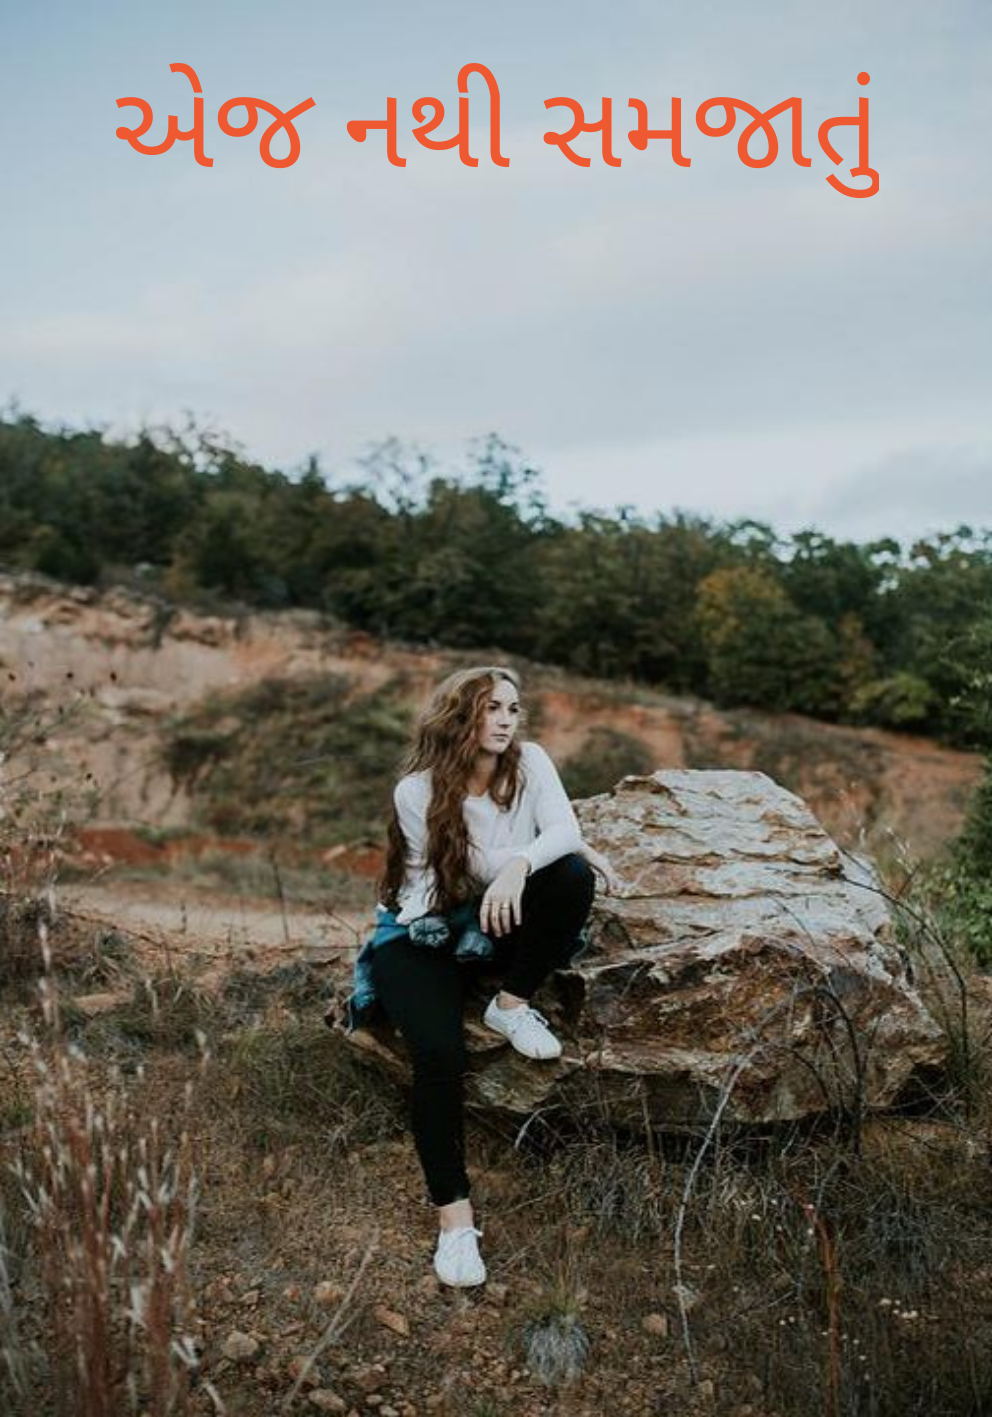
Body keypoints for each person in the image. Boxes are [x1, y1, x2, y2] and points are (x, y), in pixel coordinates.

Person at [359, 664, 610, 1289]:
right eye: (491, 708)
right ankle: (455, 1221)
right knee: (440, 1054)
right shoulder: (416, 791)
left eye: (512, 708)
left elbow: (563, 832)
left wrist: (532, 861)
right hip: (424, 931)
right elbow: (463, 871)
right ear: (459, 716)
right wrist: (542, 852)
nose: (505, 721)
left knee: (571, 878)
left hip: (492, 922)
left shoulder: (532, 762)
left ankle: (510, 1003)